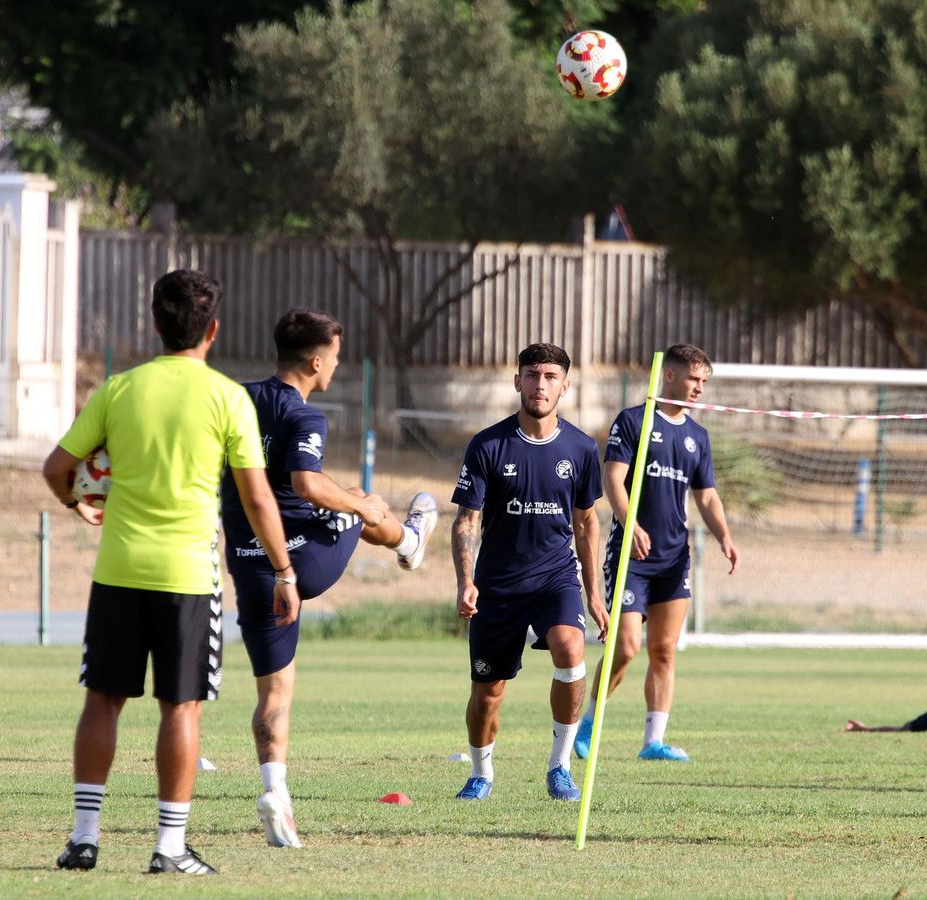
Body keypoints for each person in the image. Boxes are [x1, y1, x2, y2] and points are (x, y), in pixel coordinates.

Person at [42, 269, 299, 876]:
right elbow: (259, 500)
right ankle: (169, 847)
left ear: (154, 325)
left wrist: (76, 502)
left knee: (103, 700)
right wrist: (284, 570)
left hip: (119, 570)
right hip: (186, 578)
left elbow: (57, 467)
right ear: (212, 330)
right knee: (180, 709)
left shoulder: (119, 390)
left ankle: (84, 839)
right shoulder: (227, 398)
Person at [219, 308, 438, 848]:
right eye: (336, 357)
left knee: (275, 692)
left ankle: (276, 793)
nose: (337, 366)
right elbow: (307, 483)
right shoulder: (304, 415)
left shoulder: (235, 399)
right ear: (317, 361)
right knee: (361, 502)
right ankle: (410, 542)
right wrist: (360, 506)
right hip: (301, 564)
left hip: (250, 566)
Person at [450, 342, 608, 801]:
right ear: (516, 380)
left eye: (551, 377)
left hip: (555, 578)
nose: (541, 385)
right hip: (497, 585)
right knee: (488, 693)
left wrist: (592, 594)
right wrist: (466, 581)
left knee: (569, 647)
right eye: (533, 375)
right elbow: (466, 520)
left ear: (566, 385)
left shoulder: (580, 448)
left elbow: (586, 523)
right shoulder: (487, 444)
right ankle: (481, 773)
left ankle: (559, 767)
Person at [573, 344, 739, 763]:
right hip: (631, 557)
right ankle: (590, 721)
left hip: (673, 559)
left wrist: (724, 535)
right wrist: (631, 526)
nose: (699, 388)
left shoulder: (697, 436)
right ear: (669, 375)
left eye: (704, 381)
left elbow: (707, 497)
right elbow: (614, 481)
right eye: (693, 379)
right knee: (625, 647)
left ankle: (653, 742)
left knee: (664, 651)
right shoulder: (633, 422)